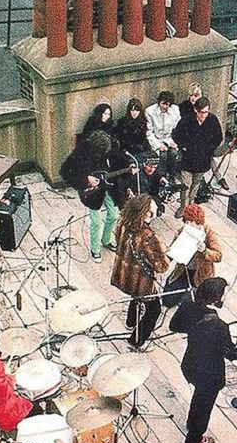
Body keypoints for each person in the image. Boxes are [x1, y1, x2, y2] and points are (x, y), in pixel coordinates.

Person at [178, 277, 237, 443]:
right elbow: (232, 354)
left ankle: (192, 423)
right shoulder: (219, 326)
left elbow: (174, 325)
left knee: (198, 399)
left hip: (190, 364)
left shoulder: (188, 305)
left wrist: (201, 336)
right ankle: (194, 438)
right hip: (208, 376)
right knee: (203, 407)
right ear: (216, 299)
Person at [60, 130, 129, 263]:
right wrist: (86, 179)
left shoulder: (111, 146)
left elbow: (119, 163)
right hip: (91, 192)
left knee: (114, 215)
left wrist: (128, 169)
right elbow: (65, 172)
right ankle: (95, 249)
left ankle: (106, 239)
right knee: (96, 222)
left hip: (108, 187)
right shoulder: (81, 152)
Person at [111, 194, 170, 347]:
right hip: (142, 280)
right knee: (154, 309)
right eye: (152, 211)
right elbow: (162, 267)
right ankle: (136, 340)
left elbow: (118, 241)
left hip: (125, 274)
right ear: (145, 214)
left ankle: (131, 321)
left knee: (135, 297)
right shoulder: (149, 237)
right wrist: (166, 253)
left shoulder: (123, 223)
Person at [171, 96, 223, 218]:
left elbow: (218, 137)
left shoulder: (212, 120)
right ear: (196, 110)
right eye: (202, 112)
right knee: (186, 185)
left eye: (206, 112)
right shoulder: (186, 120)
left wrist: (209, 149)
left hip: (202, 160)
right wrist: (185, 147)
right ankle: (183, 208)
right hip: (188, 159)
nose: (204, 115)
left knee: (196, 184)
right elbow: (177, 135)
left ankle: (191, 205)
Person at [165, 204, 222, 302]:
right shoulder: (183, 230)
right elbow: (171, 250)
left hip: (200, 273)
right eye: (186, 221)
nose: (188, 224)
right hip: (184, 269)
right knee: (168, 298)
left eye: (190, 221)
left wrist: (205, 251)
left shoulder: (209, 234)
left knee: (196, 301)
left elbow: (218, 256)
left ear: (198, 220)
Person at [181, 83, 230, 191]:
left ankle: (219, 177)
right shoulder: (184, 108)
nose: (194, 98)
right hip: (190, 144)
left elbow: (217, 136)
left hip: (203, 146)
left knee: (208, 156)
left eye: (196, 95)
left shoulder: (209, 115)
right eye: (192, 95)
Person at [145, 90, 182, 192]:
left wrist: (173, 141)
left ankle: (172, 176)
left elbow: (177, 128)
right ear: (159, 102)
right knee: (163, 155)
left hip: (168, 138)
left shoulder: (175, 110)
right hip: (156, 139)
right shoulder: (150, 111)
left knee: (174, 153)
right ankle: (160, 178)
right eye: (163, 104)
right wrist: (158, 145)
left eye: (168, 105)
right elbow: (149, 132)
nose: (165, 107)